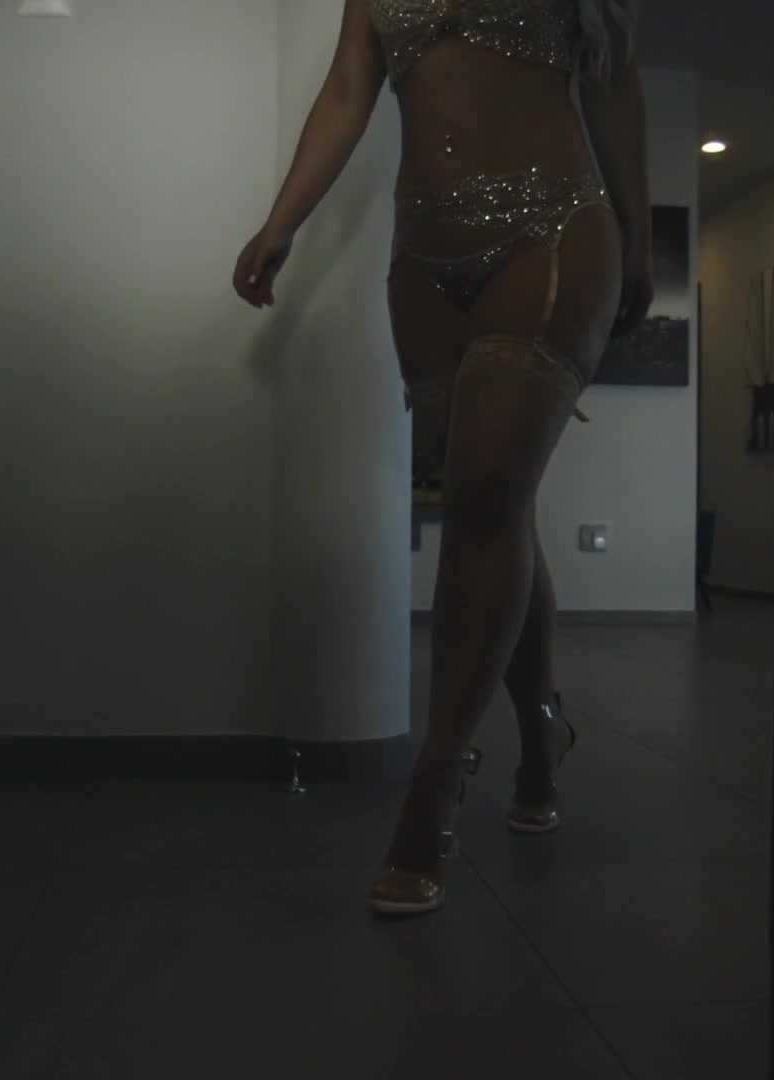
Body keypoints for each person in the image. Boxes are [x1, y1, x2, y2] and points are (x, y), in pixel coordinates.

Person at [232, 0, 652, 916]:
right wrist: (282, 220)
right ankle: (543, 732)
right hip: (424, 257)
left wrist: (639, 230)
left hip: (553, 228)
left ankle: (434, 783)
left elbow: (614, 79)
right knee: (488, 504)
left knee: (489, 490)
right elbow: (348, 91)